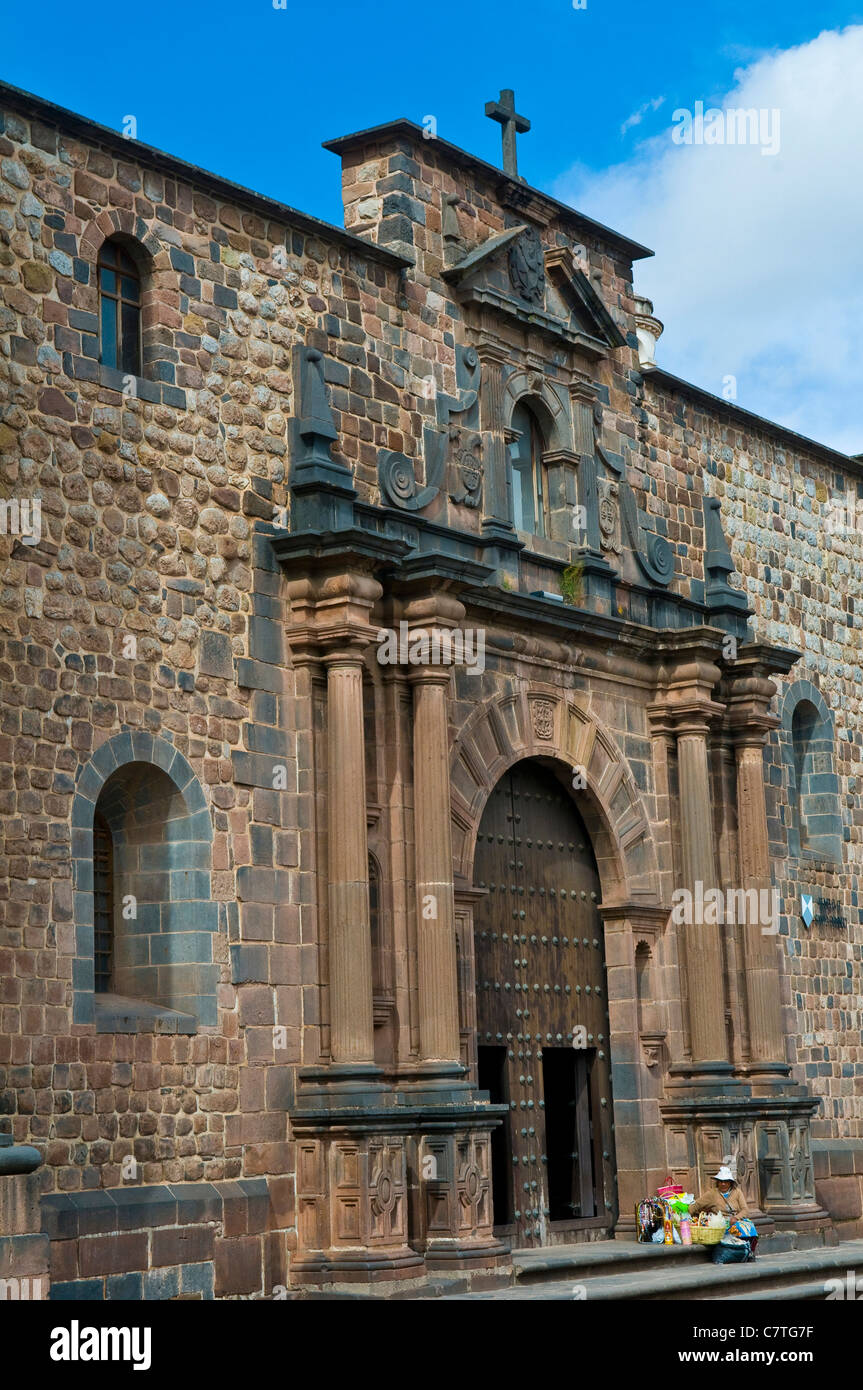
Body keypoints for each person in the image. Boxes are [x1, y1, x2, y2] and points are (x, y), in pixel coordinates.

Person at [690, 1165, 758, 1255]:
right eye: (721, 1181)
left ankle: (749, 1252)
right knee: (737, 1229)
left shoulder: (737, 1192)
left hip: (736, 1221)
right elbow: (697, 1205)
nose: (723, 1184)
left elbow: (745, 1210)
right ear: (717, 1182)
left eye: (726, 1182)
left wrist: (736, 1218)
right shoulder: (712, 1194)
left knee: (750, 1227)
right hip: (721, 1223)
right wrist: (687, 1215)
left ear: (730, 1182)